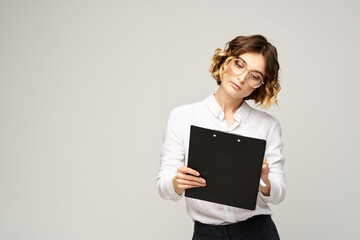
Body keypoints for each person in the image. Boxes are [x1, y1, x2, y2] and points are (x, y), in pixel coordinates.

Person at [157, 34, 286, 240]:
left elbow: (279, 194)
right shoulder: (183, 117)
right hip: (207, 233)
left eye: (254, 75)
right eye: (239, 64)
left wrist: (265, 181)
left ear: (260, 84)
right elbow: (164, 187)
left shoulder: (267, 126)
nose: (242, 77)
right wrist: (177, 182)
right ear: (226, 61)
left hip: (257, 232)